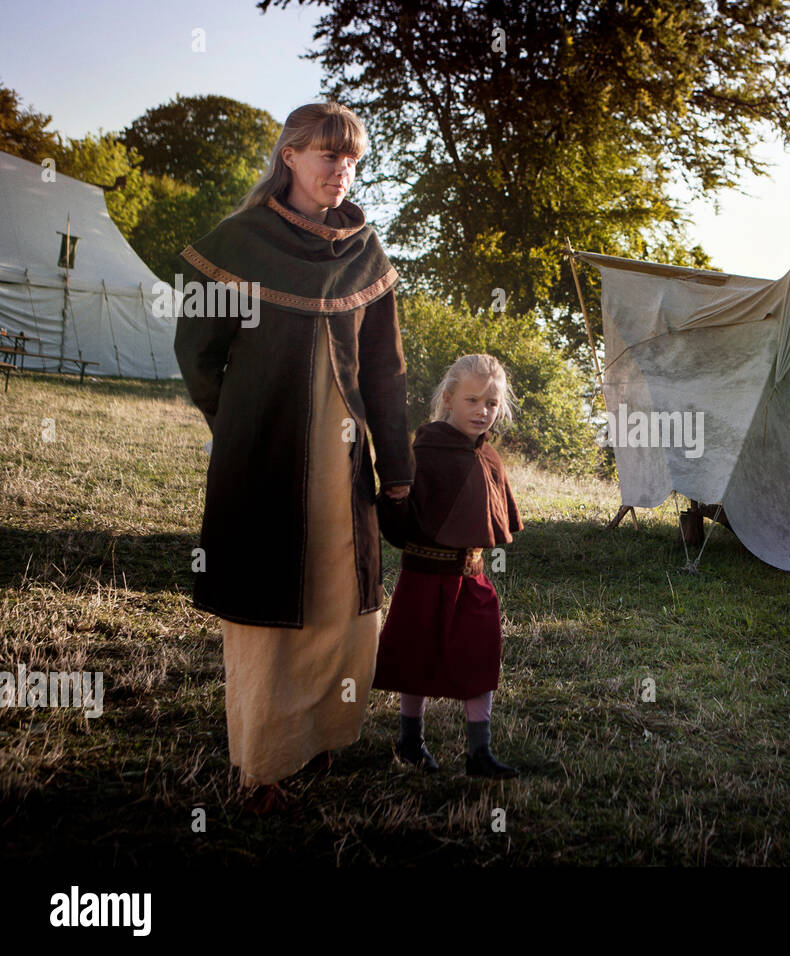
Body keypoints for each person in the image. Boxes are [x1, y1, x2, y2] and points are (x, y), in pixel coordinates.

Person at [173, 103, 414, 815]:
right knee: (264, 604)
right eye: (325, 155)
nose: (340, 171)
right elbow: (198, 354)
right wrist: (242, 423)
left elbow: (387, 374)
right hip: (264, 455)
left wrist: (396, 473)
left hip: (344, 464)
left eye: (352, 160)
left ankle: (321, 734)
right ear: (290, 156)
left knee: (341, 602)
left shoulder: (366, 255)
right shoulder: (237, 243)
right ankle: (265, 762)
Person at [373, 354, 523, 779]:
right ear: (449, 398)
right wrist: (396, 501)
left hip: (471, 575)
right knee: (417, 660)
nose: (483, 411)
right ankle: (410, 741)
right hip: (424, 574)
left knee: (480, 657)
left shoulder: (488, 455)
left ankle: (479, 753)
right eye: (472, 400)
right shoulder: (426, 449)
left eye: (492, 403)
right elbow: (402, 519)